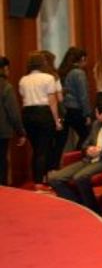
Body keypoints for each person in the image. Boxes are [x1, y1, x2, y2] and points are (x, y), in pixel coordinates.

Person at [48, 99, 102, 213]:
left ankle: (92, 209)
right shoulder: (96, 124)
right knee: (54, 178)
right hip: (89, 159)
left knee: (80, 177)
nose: (95, 114)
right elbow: (85, 144)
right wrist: (88, 149)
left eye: (96, 112)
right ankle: (78, 205)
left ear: (101, 114)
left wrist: (101, 151)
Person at [18, 51, 62, 185]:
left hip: (27, 114)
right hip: (43, 113)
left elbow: (23, 98)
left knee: (36, 149)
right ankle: (41, 181)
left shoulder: (23, 80)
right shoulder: (48, 78)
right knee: (44, 149)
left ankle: (37, 180)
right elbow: (52, 101)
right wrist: (56, 120)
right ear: (43, 63)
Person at [56, 47, 91, 151]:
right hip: (76, 109)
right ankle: (77, 157)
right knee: (87, 136)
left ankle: (58, 160)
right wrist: (87, 114)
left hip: (64, 110)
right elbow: (83, 95)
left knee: (61, 140)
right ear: (82, 58)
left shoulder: (62, 72)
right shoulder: (78, 73)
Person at [0, 57, 23, 186]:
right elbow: (13, 112)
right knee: (1, 161)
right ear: (4, 69)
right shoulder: (6, 87)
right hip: (2, 131)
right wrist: (20, 132)